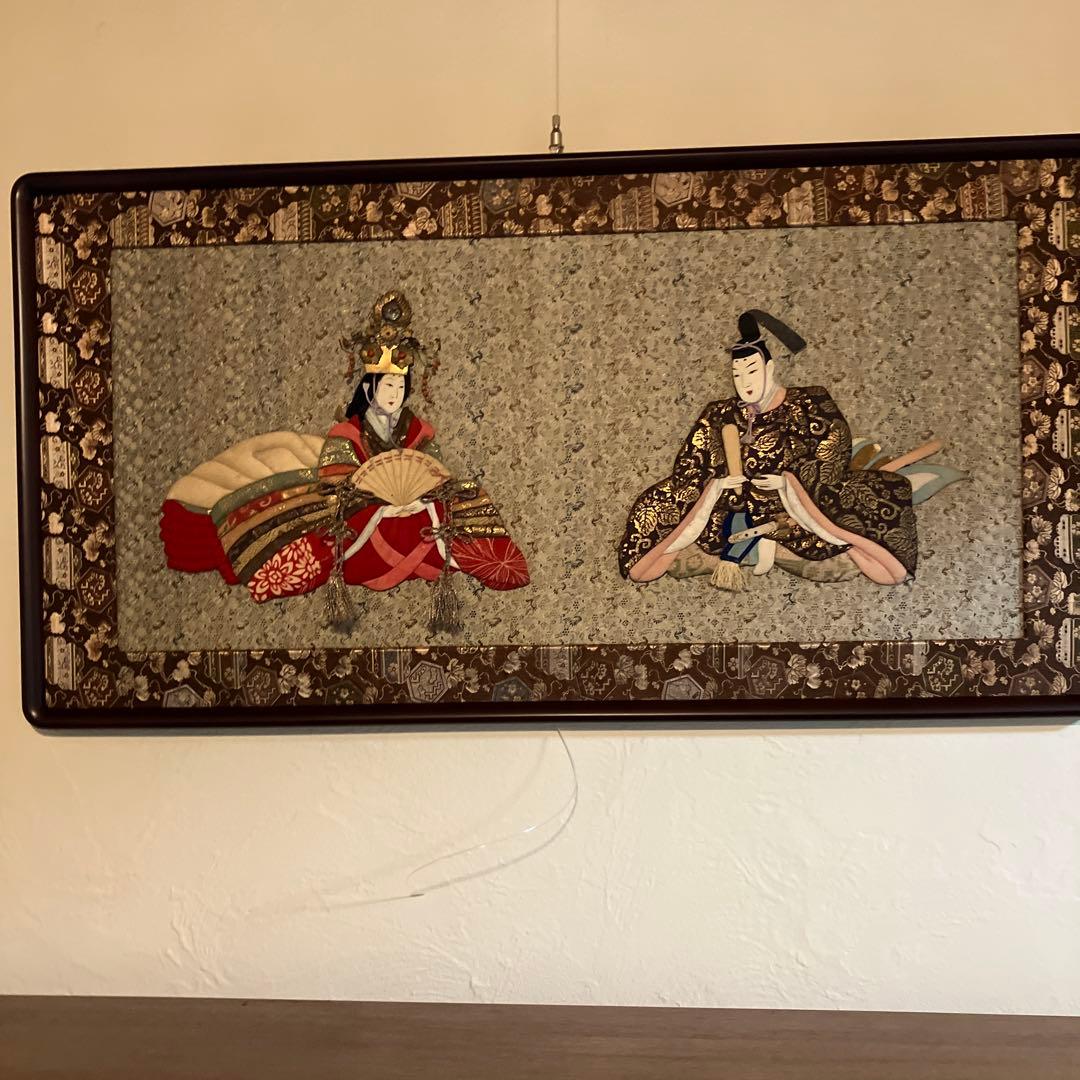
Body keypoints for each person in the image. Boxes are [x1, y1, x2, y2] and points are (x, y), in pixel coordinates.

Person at [160, 291, 529, 617]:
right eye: (385, 385)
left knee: (466, 500)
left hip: (414, 511)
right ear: (368, 389)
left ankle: (485, 561)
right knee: (343, 527)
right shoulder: (347, 434)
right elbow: (338, 486)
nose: (393, 394)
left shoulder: (418, 432)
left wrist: (421, 498)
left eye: (399, 386)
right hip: (361, 516)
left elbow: (436, 477)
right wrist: (382, 503)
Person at [617, 309, 919, 589]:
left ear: (769, 368)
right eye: (737, 375)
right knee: (649, 529)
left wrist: (789, 482)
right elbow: (690, 463)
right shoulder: (719, 413)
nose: (744, 382)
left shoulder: (809, 402)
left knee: (883, 532)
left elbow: (832, 450)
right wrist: (718, 483)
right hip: (730, 505)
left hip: (797, 504)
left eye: (751, 371)